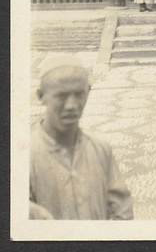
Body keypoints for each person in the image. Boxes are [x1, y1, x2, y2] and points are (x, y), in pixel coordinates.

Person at [30, 55, 133, 220]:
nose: (71, 105)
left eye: (79, 94)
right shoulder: (21, 157)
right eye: (61, 96)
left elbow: (122, 211)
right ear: (41, 96)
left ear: (88, 92)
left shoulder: (100, 149)